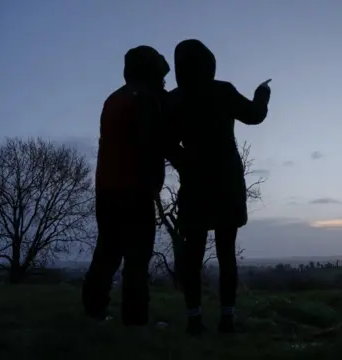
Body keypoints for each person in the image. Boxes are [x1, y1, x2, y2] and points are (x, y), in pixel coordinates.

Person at [165, 39, 272, 335]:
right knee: (226, 251)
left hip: (195, 183)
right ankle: (227, 319)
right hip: (227, 181)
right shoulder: (222, 91)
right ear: (209, 64)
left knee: (193, 254)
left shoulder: (174, 99)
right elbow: (255, 115)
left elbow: (166, 141)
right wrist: (262, 93)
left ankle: (194, 320)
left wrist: (184, 163)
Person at [82, 45, 173, 326]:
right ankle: (135, 320)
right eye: (160, 76)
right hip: (135, 189)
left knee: (107, 251)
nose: (164, 82)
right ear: (150, 73)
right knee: (137, 257)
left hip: (107, 189)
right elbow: (151, 144)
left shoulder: (114, 99)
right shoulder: (146, 100)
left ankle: (94, 311)